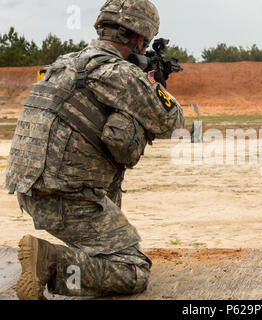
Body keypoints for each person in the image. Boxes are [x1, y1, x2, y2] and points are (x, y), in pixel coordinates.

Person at [5, 0, 184, 300]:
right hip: (66, 198)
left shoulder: (66, 62)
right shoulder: (118, 73)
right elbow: (172, 122)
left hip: (31, 188)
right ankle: (51, 263)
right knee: (132, 271)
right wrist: (156, 84)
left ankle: (81, 255)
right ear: (141, 39)